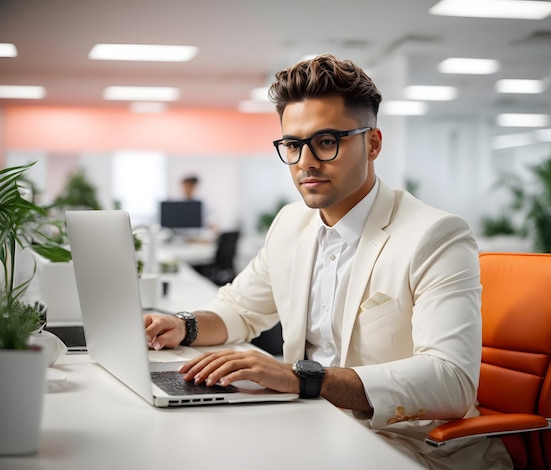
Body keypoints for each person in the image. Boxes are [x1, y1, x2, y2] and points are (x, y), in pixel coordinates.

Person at [144, 54, 512, 469]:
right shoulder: (291, 224)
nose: (305, 162)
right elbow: (241, 309)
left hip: (407, 444)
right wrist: (183, 325)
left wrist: (303, 379)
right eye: (293, 144)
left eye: (326, 141)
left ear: (372, 143)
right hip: (307, 423)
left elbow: (451, 382)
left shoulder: (434, 236)